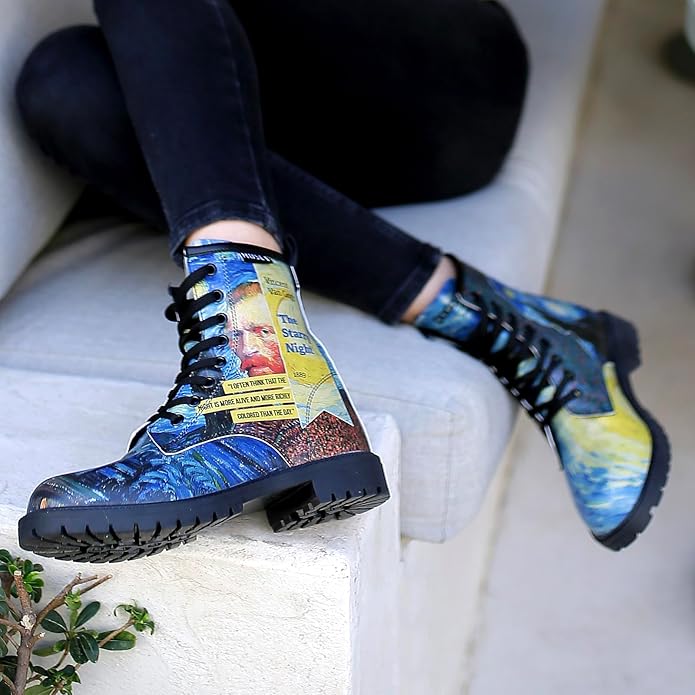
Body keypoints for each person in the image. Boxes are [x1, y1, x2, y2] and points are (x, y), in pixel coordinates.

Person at [14, 0, 668, 563]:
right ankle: (499, 325)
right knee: (65, 86)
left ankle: (258, 367)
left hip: (429, 74)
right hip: (251, 77)